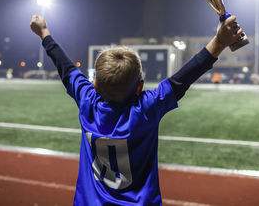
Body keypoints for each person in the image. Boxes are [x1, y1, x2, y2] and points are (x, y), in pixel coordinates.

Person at [30, 14, 242, 205]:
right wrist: (220, 42)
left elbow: (65, 66)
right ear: (140, 87)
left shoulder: (88, 101)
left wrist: (44, 32)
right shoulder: (147, 108)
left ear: (94, 85)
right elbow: (184, 78)